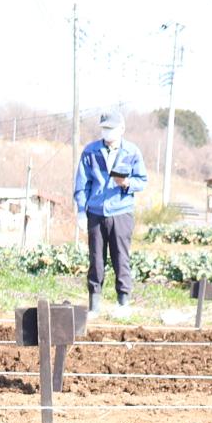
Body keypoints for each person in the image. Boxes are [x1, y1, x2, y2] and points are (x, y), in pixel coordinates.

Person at [72, 111, 148, 313]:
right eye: (104, 129)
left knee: (121, 257)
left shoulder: (132, 152)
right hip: (96, 212)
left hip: (121, 212)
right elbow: (82, 183)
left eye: (111, 129)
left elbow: (142, 180)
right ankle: (94, 305)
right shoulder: (90, 151)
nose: (108, 132)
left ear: (121, 129)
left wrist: (127, 183)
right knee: (96, 259)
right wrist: (81, 210)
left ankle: (123, 303)